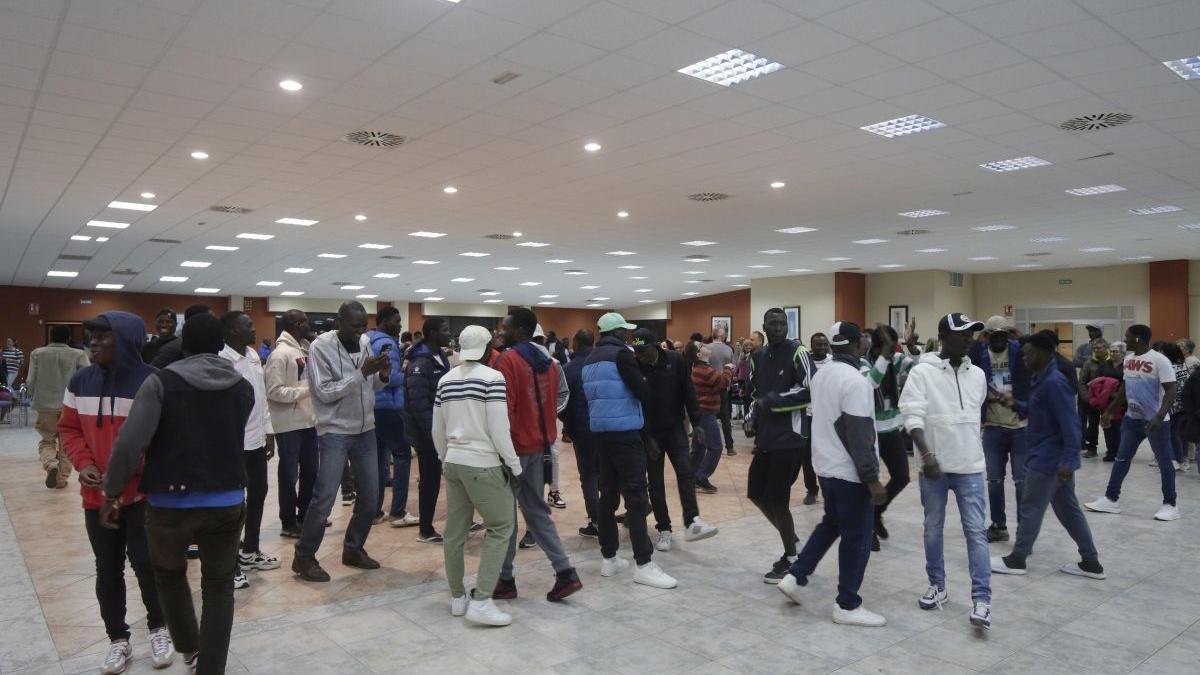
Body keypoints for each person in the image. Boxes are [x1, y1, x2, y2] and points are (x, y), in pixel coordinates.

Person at [99, 312, 253, 674]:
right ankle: (210, 667)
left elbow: (130, 443)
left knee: (168, 574)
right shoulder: (242, 386)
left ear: (182, 346)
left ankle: (188, 645)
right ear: (221, 345)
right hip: (227, 501)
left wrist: (112, 491)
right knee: (219, 588)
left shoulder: (160, 383)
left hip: (169, 504)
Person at [59, 312, 173, 674]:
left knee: (146, 564)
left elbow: (160, 438)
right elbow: (69, 429)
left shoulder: (151, 381)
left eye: (102, 336)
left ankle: (158, 628)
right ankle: (118, 639)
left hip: (141, 497)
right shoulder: (80, 381)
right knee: (107, 569)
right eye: (90, 336)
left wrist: (127, 470)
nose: (92, 342)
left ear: (124, 339)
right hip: (96, 499)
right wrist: (83, 464)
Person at [777, 321, 887, 627]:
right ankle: (847, 604)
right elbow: (858, 433)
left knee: (831, 524)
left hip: (825, 467)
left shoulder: (822, 374)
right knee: (857, 538)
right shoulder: (855, 381)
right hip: (851, 474)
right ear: (856, 345)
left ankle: (796, 576)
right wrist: (872, 478)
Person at [899, 313, 992, 630]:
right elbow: (912, 417)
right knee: (932, 529)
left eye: (971, 335)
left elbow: (975, 412)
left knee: (976, 532)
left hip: (970, 467)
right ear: (942, 336)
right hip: (934, 469)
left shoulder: (977, 374)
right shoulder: (922, 373)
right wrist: (928, 455)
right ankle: (937, 585)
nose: (968, 340)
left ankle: (982, 599)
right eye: (962, 334)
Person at [992, 330, 1105, 580]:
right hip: (1052, 459)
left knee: (1031, 507)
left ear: (1043, 353)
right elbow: (1036, 411)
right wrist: (1014, 404)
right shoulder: (1041, 378)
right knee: (1068, 511)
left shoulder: (1054, 382)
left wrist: (1068, 461)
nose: (1023, 359)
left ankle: (1017, 559)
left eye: (1028, 354)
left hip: (1048, 460)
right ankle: (1091, 562)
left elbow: (1071, 425)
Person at [292, 302, 391, 582]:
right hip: (334, 430)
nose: (361, 332)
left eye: (363, 326)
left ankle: (353, 548)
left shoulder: (365, 342)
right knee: (324, 497)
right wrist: (361, 373)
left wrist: (381, 375)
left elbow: (370, 386)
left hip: (365, 429)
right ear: (339, 321)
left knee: (371, 496)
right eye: (355, 326)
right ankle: (304, 556)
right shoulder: (320, 347)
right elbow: (323, 392)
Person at [491, 308, 582, 601]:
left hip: (515, 449)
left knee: (506, 515)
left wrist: (501, 450)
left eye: (505, 328)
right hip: (542, 445)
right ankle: (565, 571)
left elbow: (504, 410)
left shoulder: (508, 360)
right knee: (536, 511)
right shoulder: (551, 362)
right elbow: (557, 401)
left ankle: (504, 580)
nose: (500, 333)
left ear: (518, 330)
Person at [434, 325, 522, 626]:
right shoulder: (492, 378)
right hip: (483, 463)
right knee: (501, 526)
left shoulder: (445, 380)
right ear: (487, 350)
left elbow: (438, 428)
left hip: (454, 462)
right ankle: (482, 600)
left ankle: (458, 597)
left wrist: (444, 457)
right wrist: (515, 464)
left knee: (454, 533)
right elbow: (499, 428)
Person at [584, 312, 677, 589]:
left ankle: (609, 558)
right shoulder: (622, 356)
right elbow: (641, 391)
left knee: (608, 495)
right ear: (618, 332)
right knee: (636, 496)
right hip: (625, 434)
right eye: (626, 331)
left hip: (600, 434)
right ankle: (644, 564)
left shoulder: (590, 359)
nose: (629, 336)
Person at [634, 330, 719, 550]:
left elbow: (688, 391)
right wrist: (645, 436)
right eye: (636, 351)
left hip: (674, 428)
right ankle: (664, 529)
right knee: (655, 482)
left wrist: (697, 421)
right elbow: (635, 404)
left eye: (642, 350)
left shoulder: (675, 360)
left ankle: (692, 522)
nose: (639, 355)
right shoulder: (635, 366)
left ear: (655, 346)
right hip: (650, 433)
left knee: (686, 472)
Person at [1085, 324, 1180, 521]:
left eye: (1128, 337)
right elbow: (1124, 390)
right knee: (1121, 459)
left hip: (1155, 421)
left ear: (1138, 339)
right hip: (1132, 420)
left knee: (1164, 463)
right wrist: (1109, 411)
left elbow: (1171, 390)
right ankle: (1111, 499)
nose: (1125, 340)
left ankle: (1170, 505)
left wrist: (1159, 416)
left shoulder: (1159, 360)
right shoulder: (1128, 360)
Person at [748, 309, 815, 582]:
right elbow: (755, 394)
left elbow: (809, 390)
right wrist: (752, 416)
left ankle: (791, 559)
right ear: (764, 327)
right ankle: (794, 543)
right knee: (756, 493)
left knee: (779, 499)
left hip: (790, 438)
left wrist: (772, 401)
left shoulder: (799, 352)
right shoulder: (758, 356)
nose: (777, 328)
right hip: (765, 438)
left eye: (781, 323)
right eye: (772, 324)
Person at [219, 311, 279, 589]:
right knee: (234, 506)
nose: (254, 330)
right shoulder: (221, 360)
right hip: (233, 445)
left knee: (258, 496)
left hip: (256, 441)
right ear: (231, 331)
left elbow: (262, 397)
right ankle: (228, 563)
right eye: (248, 326)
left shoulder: (253, 355)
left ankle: (250, 551)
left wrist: (268, 431)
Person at [968, 316, 1030, 544]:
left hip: (1019, 426)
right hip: (993, 426)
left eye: (1003, 335)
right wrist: (980, 336)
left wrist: (1018, 334)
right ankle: (998, 526)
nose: (999, 340)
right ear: (987, 336)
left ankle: (1025, 530)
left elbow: (1040, 345)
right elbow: (968, 352)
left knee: (1021, 481)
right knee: (994, 480)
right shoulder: (979, 353)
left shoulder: (1019, 351)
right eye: (994, 335)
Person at [264, 309, 319, 539]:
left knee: (311, 472)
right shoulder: (280, 354)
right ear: (297, 324)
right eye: (305, 321)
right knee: (289, 476)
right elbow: (274, 391)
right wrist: (308, 391)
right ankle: (288, 522)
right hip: (288, 425)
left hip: (307, 422)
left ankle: (305, 515)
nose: (309, 324)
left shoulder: (303, 349)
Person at [861, 324, 912, 551]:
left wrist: (911, 347)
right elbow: (870, 382)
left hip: (893, 429)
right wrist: (884, 357)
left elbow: (917, 365)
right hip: (871, 433)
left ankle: (876, 513)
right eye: (885, 345)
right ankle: (868, 527)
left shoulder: (897, 359)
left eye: (892, 344)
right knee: (870, 483)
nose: (890, 349)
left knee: (901, 477)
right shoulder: (863, 363)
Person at [367, 307, 417, 527]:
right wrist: (406, 373)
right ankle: (398, 510)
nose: (400, 325)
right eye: (397, 321)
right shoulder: (386, 343)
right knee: (402, 455)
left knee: (378, 460)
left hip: (373, 408)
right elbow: (389, 376)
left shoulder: (367, 339)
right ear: (385, 321)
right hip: (389, 406)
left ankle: (375, 510)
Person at [404, 317, 453, 543]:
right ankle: (425, 529)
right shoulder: (420, 362)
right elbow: (418, 404)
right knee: (430, 480)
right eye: (444, 330)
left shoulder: (439, 356)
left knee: (439, 479)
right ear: (432, 333)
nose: (449, 333)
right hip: (428, 434)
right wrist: (434, 434)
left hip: (441, 429)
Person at [28, 324, 89, 489]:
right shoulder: (78, 354)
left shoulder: (37, 353)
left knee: (47, 441)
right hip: (70, 406)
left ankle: (51, 465)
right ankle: (61, 480)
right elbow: (89, 377)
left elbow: (30, 381)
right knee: (67, 443)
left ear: (50, 336)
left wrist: (32, 397)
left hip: (45, 405)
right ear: (68, 338)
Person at [560, 328, 599, 538]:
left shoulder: (568, 369)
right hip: (605, 427)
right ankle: (633, 507)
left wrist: (568, 424)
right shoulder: (603, 365)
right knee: (609, 472)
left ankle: (596, 521)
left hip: (582, 430)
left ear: (575, 344)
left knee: (589, 476)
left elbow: (562, 404)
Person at [690, 340, 732, 495]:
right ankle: (701, 477)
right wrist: (728, 368)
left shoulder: (702, 368)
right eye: (701, 346)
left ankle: (690, 477)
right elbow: (723, 382)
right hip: (705, 413)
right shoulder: (703, 369)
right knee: (716, 447)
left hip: (701, 412)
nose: (705, 345)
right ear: (699, 354)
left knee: (698, 448)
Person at [1079, 338, 1121, 459]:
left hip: (1109, 402)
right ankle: (1091, 448)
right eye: (1094, 348)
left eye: (1099, 348)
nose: (1096, 350)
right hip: (1092, 401)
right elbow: (1082, 382)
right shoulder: (1088, 363)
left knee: (1111, 425)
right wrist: (1087, 398)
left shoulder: (1111, 361)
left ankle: (1112, 450)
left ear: (1106, 348)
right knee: (1092, 424)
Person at [1154, 341, 1190, 472]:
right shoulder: (1182, 365)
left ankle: (1176, 460)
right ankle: (1180, 460)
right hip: (1183, 405)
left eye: (1161, 351)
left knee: (1171, 434)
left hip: (1172, 405)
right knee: (1177, 434)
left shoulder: (1168, 367)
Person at [149, 304, 211, 368]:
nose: (164, 325)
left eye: (168, 322)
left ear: (176, 324)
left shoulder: (187, 346)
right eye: (160, 321)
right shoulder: (148, 347)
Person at [707, 325, 736, 455]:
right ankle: (729, 447)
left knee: (708, 416)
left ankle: (709, 444)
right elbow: (732, 367)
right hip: (723, 387)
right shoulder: (728, 349)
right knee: (725, 418)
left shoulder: (705, 348)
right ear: (721, 335)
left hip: (708, 386)